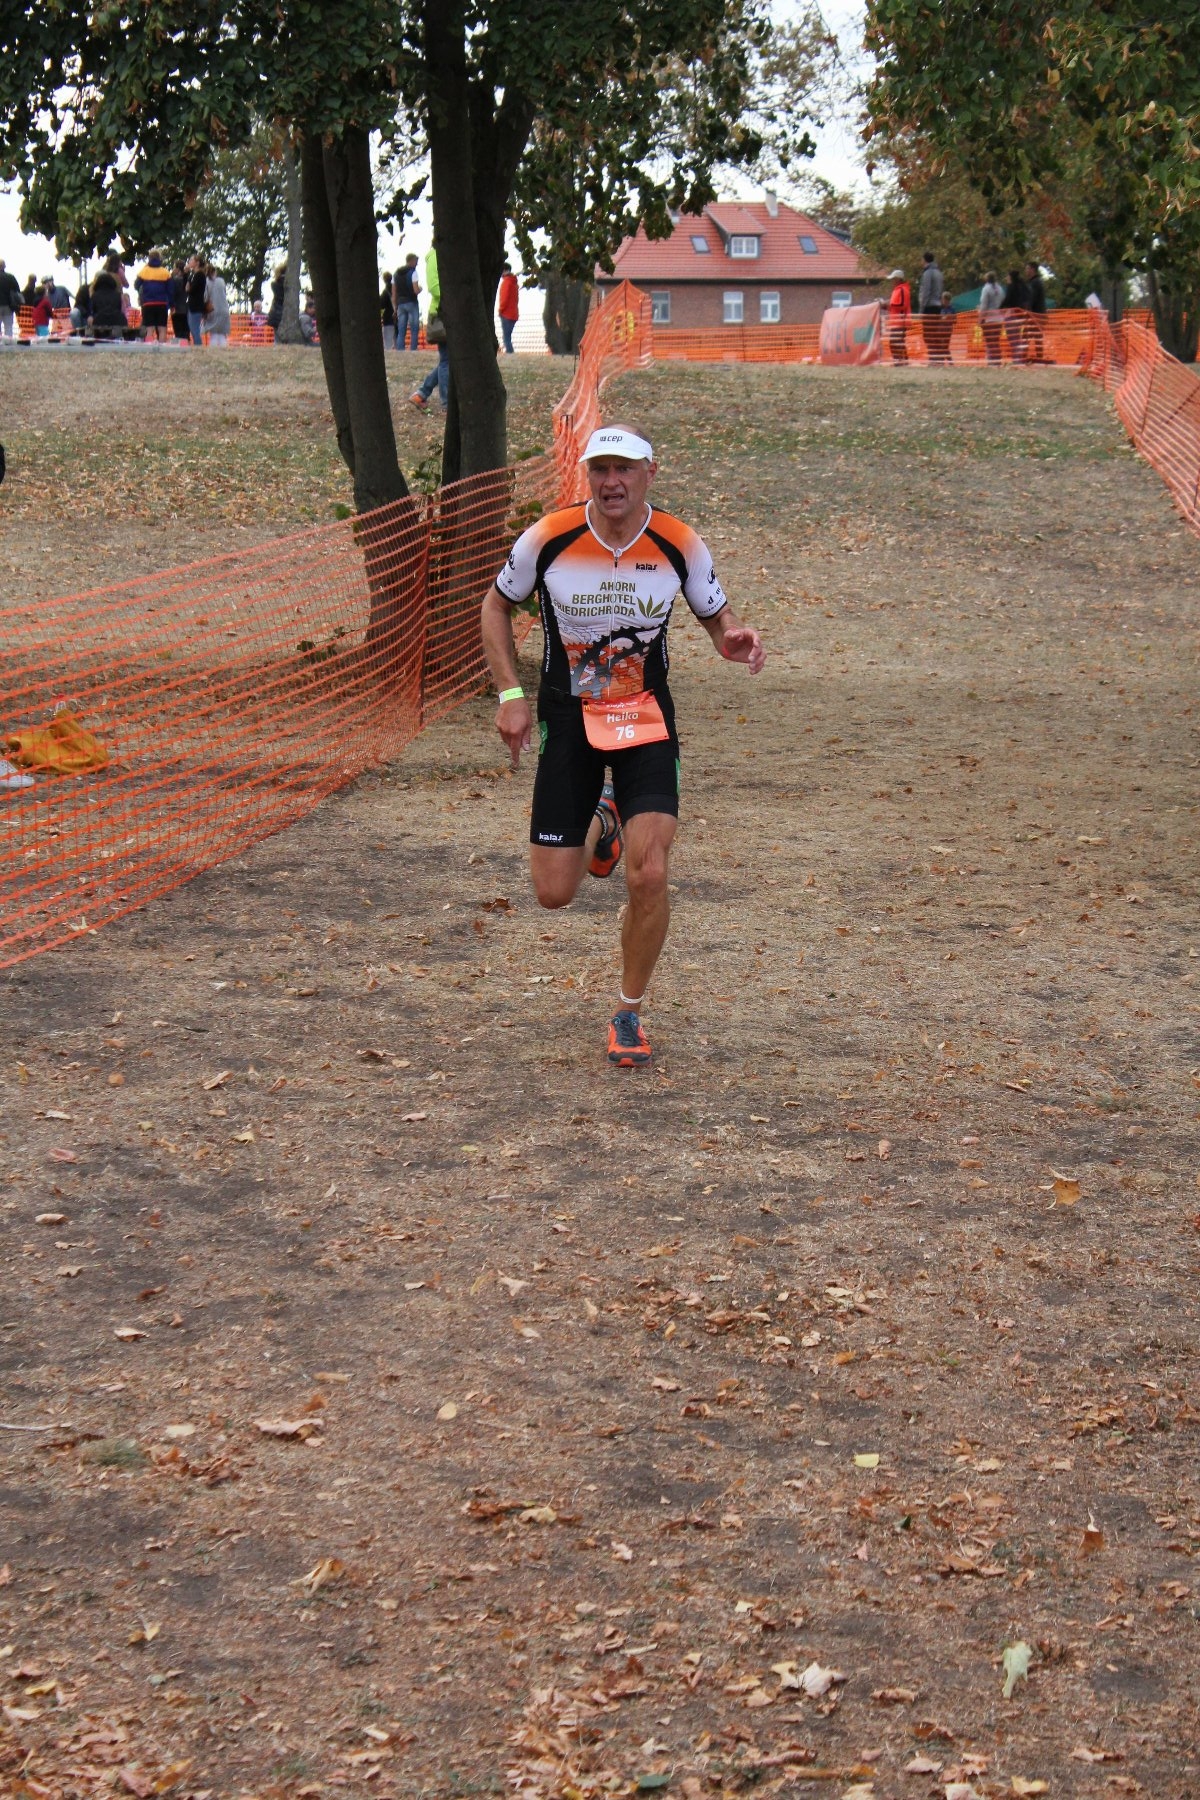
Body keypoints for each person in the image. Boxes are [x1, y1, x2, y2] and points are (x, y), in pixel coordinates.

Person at [479, 423, 766, 1069]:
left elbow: (714, 615)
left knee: (650, 872)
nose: (612, 482)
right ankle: (603, 820)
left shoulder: (678, 542)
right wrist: (510, 694)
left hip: (645, 716)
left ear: (649, 473)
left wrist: (730, 636)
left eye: (625, 468)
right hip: (568, 716)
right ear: (587, 474)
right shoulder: (549, 538)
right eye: (600, 469)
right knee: (554, 893)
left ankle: (628, 1012)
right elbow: (493, 607)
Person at [409, 246, 448, 410]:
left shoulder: (444, 253)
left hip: (448, 312)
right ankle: (446, 402)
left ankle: (422, 394)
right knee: (447, 360)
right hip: (441, 313)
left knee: (448, 359)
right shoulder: (435, 256)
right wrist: (454, 296)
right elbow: (434, 286)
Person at [135, 249, 172, 341]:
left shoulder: (144, 271)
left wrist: (143, 293)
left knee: (149, 329)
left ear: (149, 258)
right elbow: (170, 290)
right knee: (162, 329)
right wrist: (171, 304)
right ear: (160, 258)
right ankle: (162, 347)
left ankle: (149, 347)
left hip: (148, 303)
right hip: (162, 303)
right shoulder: (165, 272)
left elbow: (136, 285)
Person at [918, 250, 945, 363]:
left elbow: (926, 292)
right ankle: (938, 357)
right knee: (935, 332)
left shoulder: (927, 273)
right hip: (938, 306)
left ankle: (934, 357)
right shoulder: (939, 273)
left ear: (925, 260)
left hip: (929, 306)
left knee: (928, 334)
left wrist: (921, 309)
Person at [90, 255, 126, 339]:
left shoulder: (95, 295)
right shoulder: (118, 295)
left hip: (99, 322)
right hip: (117, 321)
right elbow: (121, 310)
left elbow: (92, 311)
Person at [1001, 266, 1029, 364]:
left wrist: (1000, 308)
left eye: (1007, 276)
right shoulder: (1023, 286)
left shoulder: (1011, 287)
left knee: (1013, 338)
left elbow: (1007, 300)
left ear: (1010, 277)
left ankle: (1017, 359)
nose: (1006, 278)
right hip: (1020, 315)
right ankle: (1020, 358)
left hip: (1011, 314)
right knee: (1018, 338)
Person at [393, 252, 421, 351]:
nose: (417, 264)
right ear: (411, 261)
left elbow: (394, 293)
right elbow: (416, 290)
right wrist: (420, 289)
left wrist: (395, 307)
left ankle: (400, 350)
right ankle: (413, 350)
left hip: (400, 304)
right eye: (416, 261)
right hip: (411, 302)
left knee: (401, 330)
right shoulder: (413, 272)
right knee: (414, 329)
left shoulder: (395, 274)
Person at [978, 269, 1004, 364]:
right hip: (999, 318)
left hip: (989, 319)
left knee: (989, 342)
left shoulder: (986, 289)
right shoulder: (1000, 289)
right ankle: (998, 360)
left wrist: (980, 319)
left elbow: (984, 305)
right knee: (996, 341)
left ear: (986, 279)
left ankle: (992, 361)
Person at [1023, 260, 1047, 363]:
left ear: (1032, 269)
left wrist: (1025, 311)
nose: (1026, 271)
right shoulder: (1037, 281)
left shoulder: (1034, 283)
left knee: (1026, 337)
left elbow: (1031, 299)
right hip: (1040, 314)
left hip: (1035, 315)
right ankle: (1039, 358)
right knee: (1037, 338)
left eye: (1027, 268)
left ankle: (1023, 358)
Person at [885, 267, 909, 364]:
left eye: (893, 279)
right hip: (896, 321)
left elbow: (902, 304)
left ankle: (900, 361)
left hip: (900, 321)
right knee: (897, 343)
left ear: (898, 279)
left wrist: (888, 304)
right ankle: (902, 361)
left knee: (895, 342)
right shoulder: (897, 290)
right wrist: (886, 306)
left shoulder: (902, 290)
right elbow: (894, 305)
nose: (892, 281)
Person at [204, 263, 231, 347]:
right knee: (222, 334)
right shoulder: (221, 281)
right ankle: (224, 350)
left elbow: (205, 297)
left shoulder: (206, 282)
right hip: (224, 309)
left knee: (214, 334)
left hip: (212, 309)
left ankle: (214, 352)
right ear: (215, 272)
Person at [185, 256, 208, 345]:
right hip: (192, 304)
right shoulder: (193, 275)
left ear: (197, 263)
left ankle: (198, 346)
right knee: (192, 328)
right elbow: (187, 286)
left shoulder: (200, 275)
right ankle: (197, 345)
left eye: (191, 260)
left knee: (194, 328)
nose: (189, 261)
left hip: (196, 305)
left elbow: (192, 289)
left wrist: (188, 288)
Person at [498, 261, 519, 353]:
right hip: (514, 313)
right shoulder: (514, 283)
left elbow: (504, 298)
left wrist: (500, 310)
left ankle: (510, 355)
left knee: (506, 338)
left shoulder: (506, 282)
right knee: (507, 337)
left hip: (506, 313)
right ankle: (510, 354)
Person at [0, 261, 20, 338]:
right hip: (9, 306)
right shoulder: (10, 277)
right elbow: (17, 291)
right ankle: (8, 342)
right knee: (8, 327)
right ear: (4, 266)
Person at [170, 261, 189, 340]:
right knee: (185, 332)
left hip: (176, 308)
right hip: (185, 308)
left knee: (178, 332)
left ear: (177, 269)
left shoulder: (175, 280)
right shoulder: (187, 279)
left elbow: (172, 292)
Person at [267, 263, 286, 333]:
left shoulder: (274, 284)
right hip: (282, 312)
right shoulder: (285, 283)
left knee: (277, 335)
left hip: (275, 313)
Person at [380, 272, 396, 351]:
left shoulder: (385, 291)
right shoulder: (396, 289)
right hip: (397, 317)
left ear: (384, 280)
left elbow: (381, 304)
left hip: (388, 318)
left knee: (388, 343)